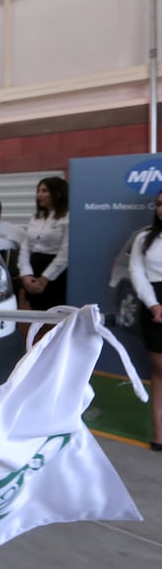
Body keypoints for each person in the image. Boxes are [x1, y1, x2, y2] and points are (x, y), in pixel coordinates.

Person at [127, 190, 162, 452]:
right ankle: (159, 433)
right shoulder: (143, 238)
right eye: (160, 204)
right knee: (159, 370)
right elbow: (137, 273)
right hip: (154, 305)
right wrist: (154, 305)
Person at [18, 176, 69, 310]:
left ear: (57, 193)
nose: (39, 195)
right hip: (34, 267)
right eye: (38, 191)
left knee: (55, 315)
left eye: (44, 191)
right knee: (36, 314)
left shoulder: (68, 217)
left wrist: (45, 279)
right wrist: (26, 275)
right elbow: (25, 248)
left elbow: (65, 253)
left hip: (56, 273)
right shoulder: (36, 218)